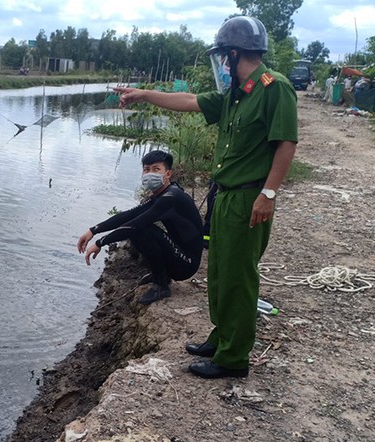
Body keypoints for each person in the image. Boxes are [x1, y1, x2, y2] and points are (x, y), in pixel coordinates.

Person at [114, 16, 298, 379]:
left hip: (249, 199)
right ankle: (222, 337)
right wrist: (145, 94)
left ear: (235, 52)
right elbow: (188, 100)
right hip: (226, 197)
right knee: (219, 273)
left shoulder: (273, 88)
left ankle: (233, 359)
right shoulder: (236, 93)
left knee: (239, 277)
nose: (223, 65)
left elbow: (286, 143)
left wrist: (269, 193)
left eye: (224, 57)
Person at [77, 150, 203, 305]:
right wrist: (93, 230)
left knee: (142, 230)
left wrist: (100, 243)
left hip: (186, 264)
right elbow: (128, 215)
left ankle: (161, 286)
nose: (150, 174)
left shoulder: (171, 197)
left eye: (156, 169)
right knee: (138, 229)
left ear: (168, 174)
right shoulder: (161, 195)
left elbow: (135, 224)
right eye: (146, 169)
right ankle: (160, 275)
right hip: (178, 256)